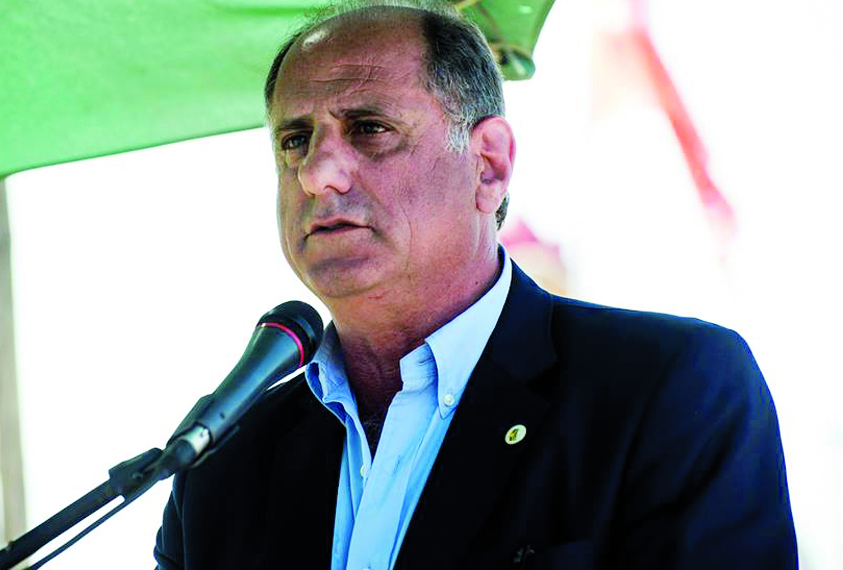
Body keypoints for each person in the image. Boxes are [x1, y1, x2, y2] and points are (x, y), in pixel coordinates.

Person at [154, 2, 797, 568]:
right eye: (295, 139)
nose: (316, 173)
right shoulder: (219, 466)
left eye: (370, 129)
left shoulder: (670, 389)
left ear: (488, 164)